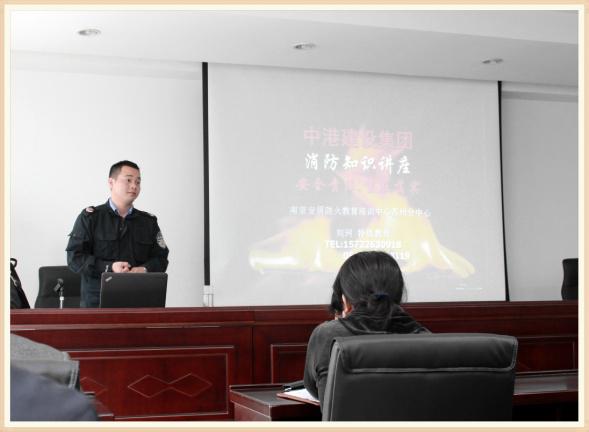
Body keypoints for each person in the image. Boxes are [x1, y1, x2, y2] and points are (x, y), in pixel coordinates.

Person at [303, 251, 429, 407]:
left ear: (345, 302)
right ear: (398, 295)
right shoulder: (425, 338)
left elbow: (316, 389)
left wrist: (339, 325)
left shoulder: (327, 335)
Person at [66, 160, 169, 307]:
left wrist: (144, 269)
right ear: (111, 183)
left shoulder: (148, 222)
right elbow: (74, 258)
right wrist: (109, 267)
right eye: (128, 180)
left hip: (139, 301)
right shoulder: (91, 218)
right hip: (98, 304)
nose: (134, 186)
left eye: (138, 182)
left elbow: (161, 258)